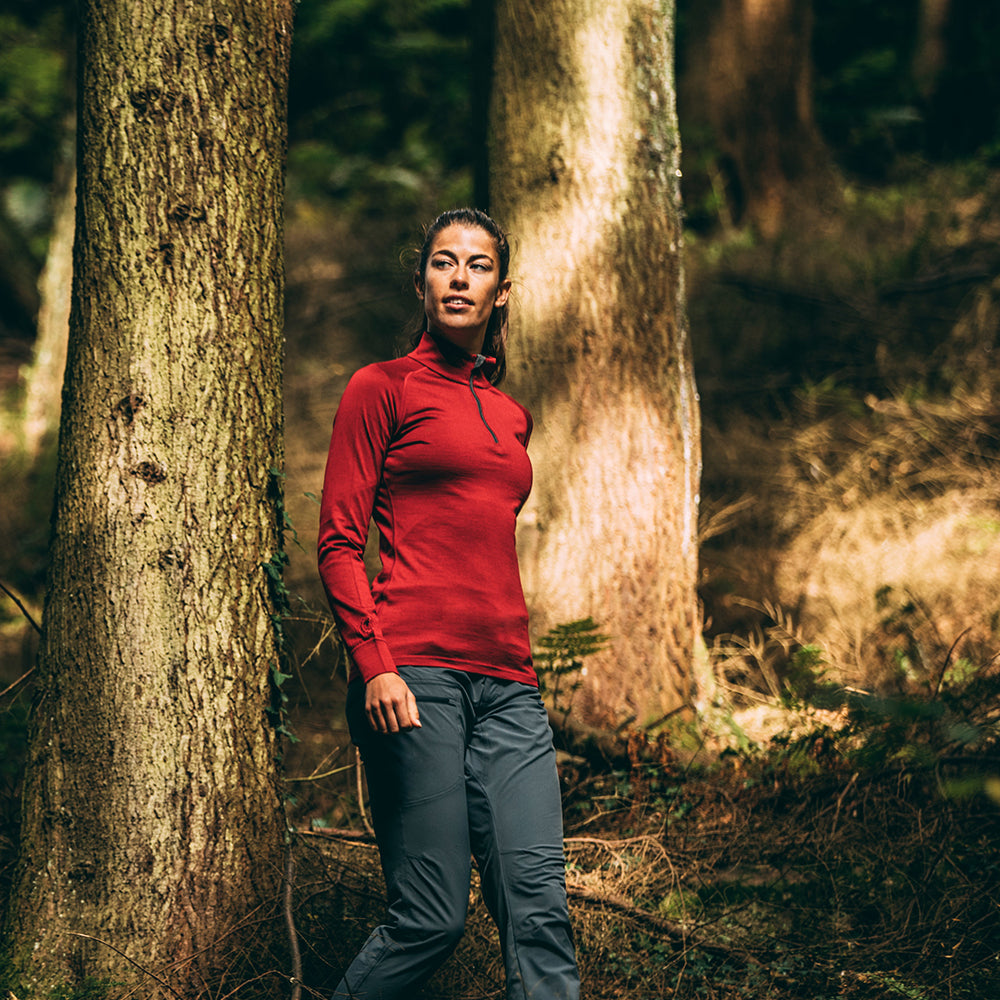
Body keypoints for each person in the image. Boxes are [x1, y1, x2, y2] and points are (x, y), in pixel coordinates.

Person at [317, 207, 580, 1000]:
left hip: (511, 687)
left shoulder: (510, 416)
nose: (459, 276)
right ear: (423, 279)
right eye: (443, 262)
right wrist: (374, 664)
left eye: (477, 265)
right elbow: (337, 541)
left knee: (538, 911)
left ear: (503, 290)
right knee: (431, 916)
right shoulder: (382, 387)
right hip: (414, 679)